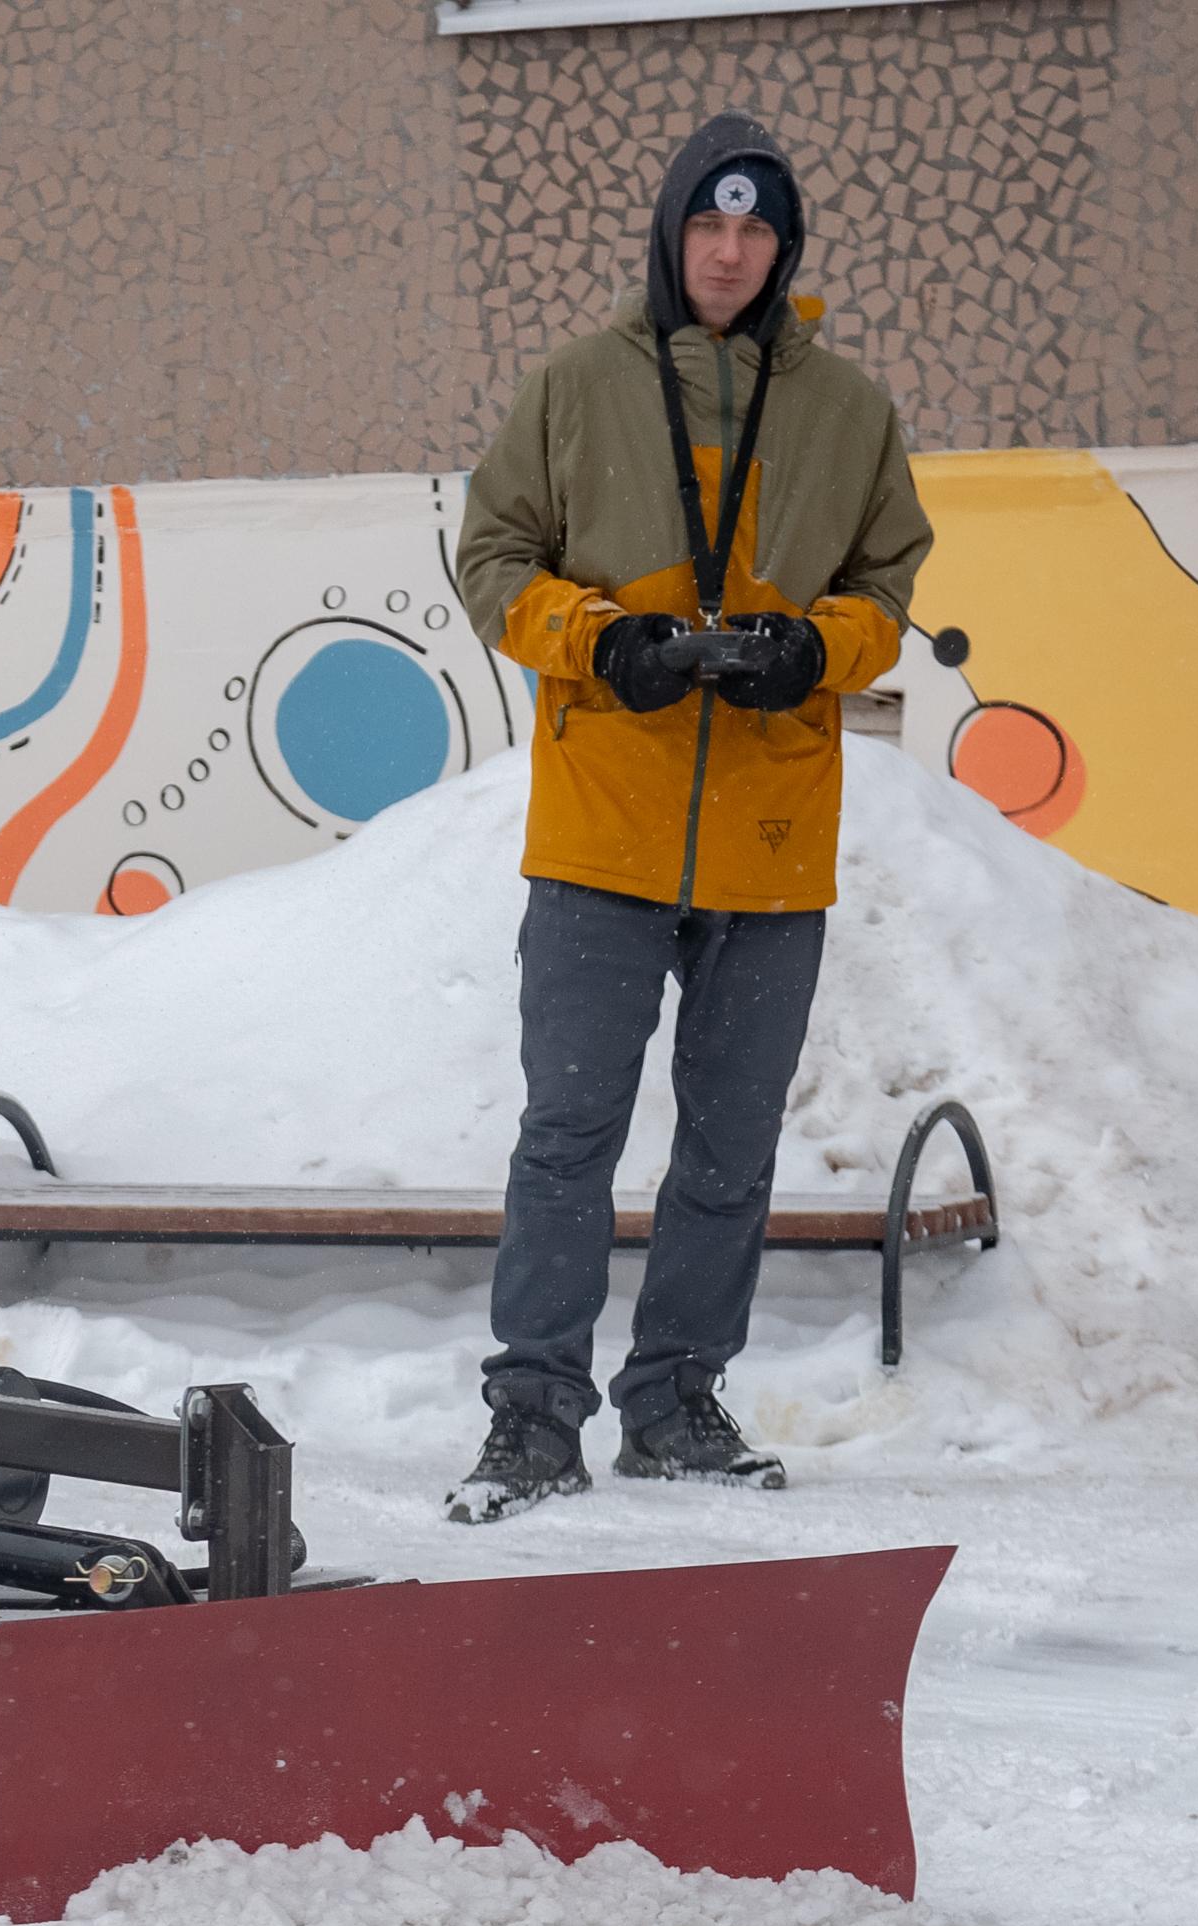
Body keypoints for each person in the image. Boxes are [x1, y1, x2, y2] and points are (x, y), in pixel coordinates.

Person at [446, 112, 932, 1522]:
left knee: (730, 1144)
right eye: (708, 226)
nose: (730, 252)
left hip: (773, 836)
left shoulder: (847, 410)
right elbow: (490, 557)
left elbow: (887, 589)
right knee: (570, 1135)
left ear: (785, 248)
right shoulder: (577, 387)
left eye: (757, 229)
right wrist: (598, 641)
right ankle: (534, 1414)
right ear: (669, 233)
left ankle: (676, 1400)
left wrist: (816, 646)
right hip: (605, 825)